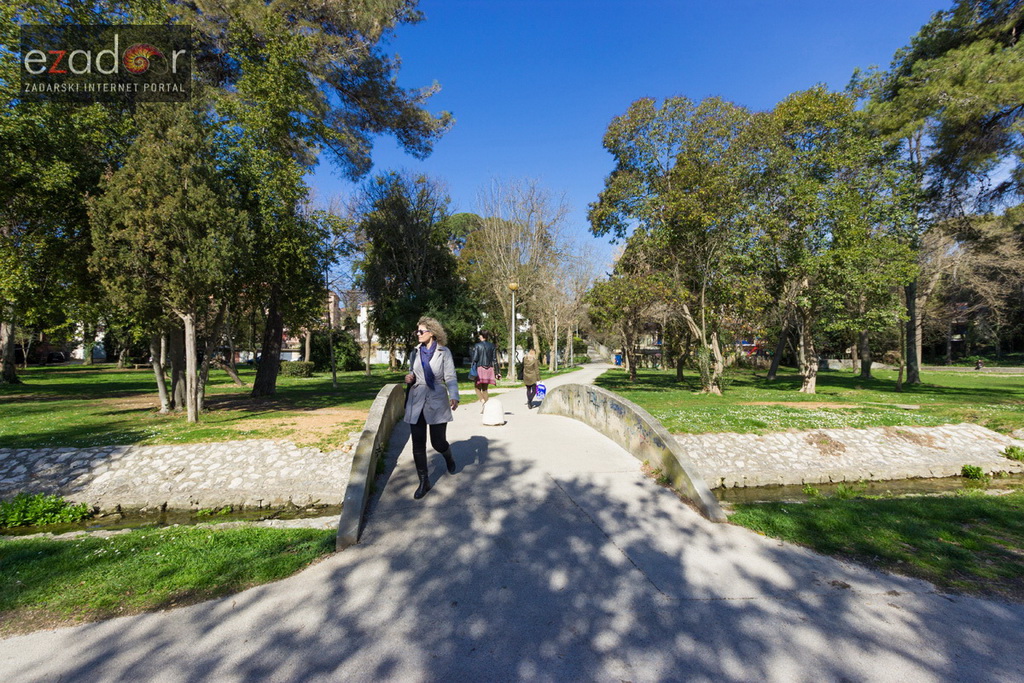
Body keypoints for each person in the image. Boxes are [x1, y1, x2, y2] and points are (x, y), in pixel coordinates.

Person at [404, 317, 460, 499]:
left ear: (432, 333)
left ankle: (448, 456)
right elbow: (413, 372)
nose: (418, 334)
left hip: (436, 398)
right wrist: (409, 377)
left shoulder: (444, 352)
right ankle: (424, 481)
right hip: (416, 399)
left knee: (438, 442)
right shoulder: (415, 352)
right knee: (418, 443)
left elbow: (450, 376)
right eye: (417, 331)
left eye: (421, 331)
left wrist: (454, 395)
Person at [470, 329, 500, 412]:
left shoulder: (477, 345)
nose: (479, 337)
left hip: (480, 368)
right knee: (485, 389)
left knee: (477, 388)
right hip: (489, 369)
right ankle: (486, 407)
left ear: (481, 336)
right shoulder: (492, 346)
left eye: (480, 335)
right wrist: (497, 372)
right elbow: (495, 360)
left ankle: (483, 401)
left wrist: (472, 365)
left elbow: (475, 358)